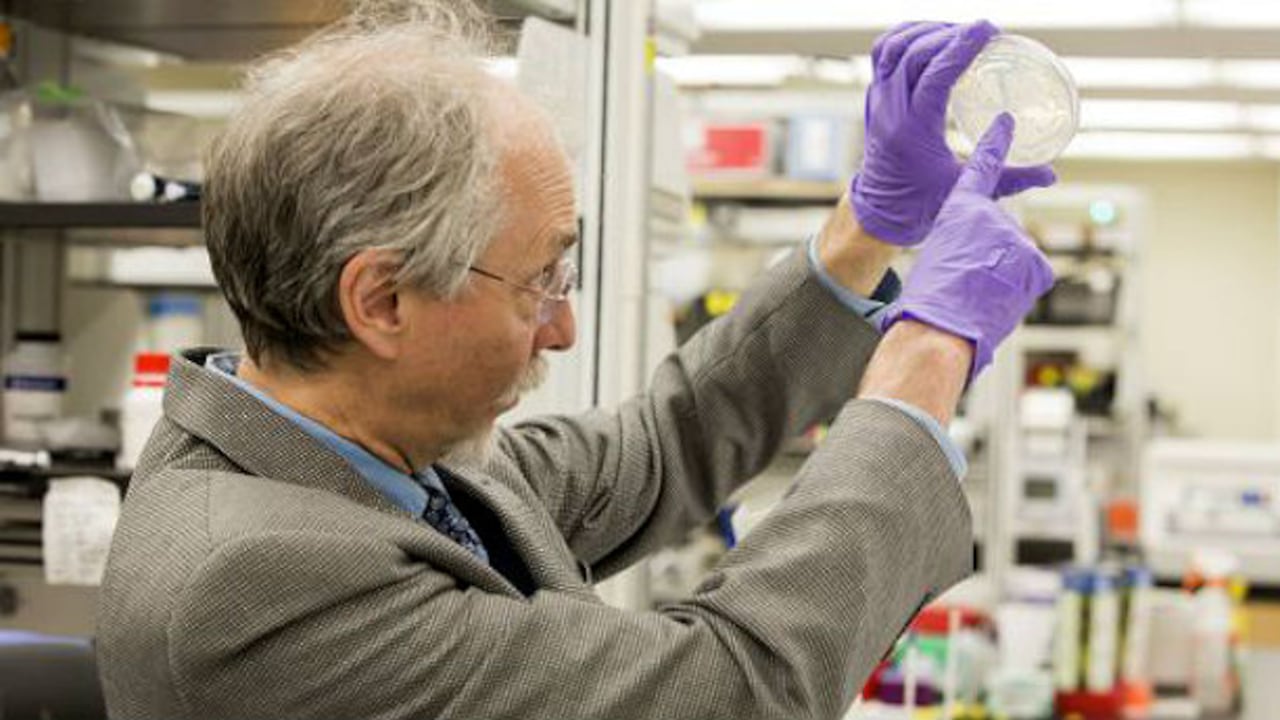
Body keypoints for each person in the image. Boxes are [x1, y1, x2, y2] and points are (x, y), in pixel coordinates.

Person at [96, 4, 1055, 719]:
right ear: (381, 301)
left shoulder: (372, 455)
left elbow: (667, 445)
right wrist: (925, 357)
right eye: (540, 279)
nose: (562, 329)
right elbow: (731, 692)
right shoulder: (259, 584)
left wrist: (866, 229)